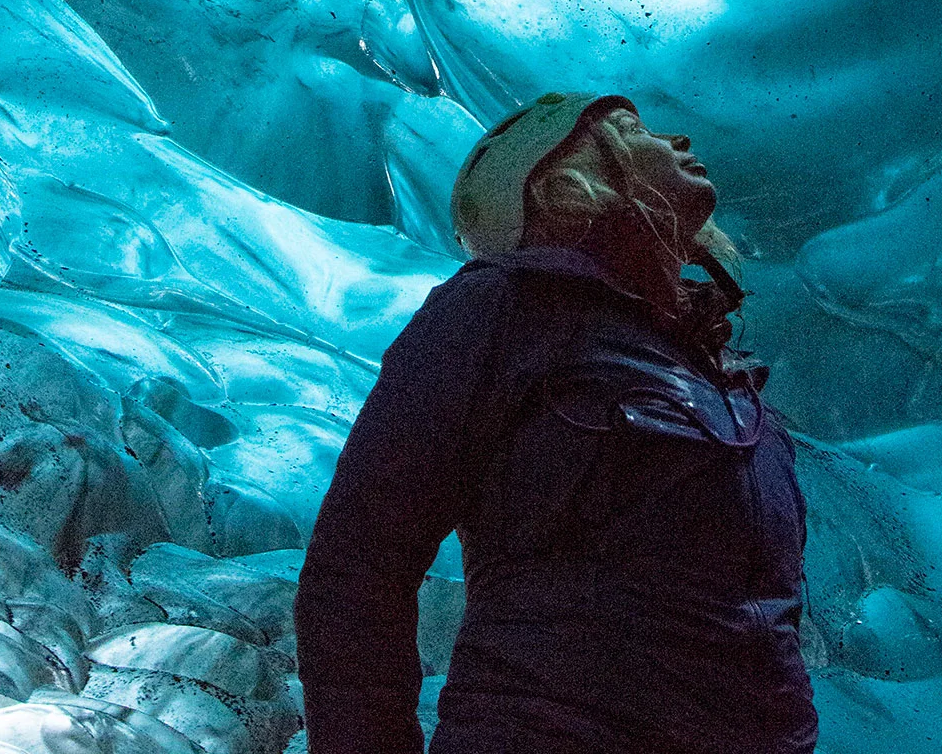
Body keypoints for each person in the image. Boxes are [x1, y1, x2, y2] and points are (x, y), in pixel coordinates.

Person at [294, 90, 818, 754]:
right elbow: (360, 565)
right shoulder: (500, 309)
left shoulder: (727, 380)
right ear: (564, 174)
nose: (678, 141)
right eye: (636, 131)